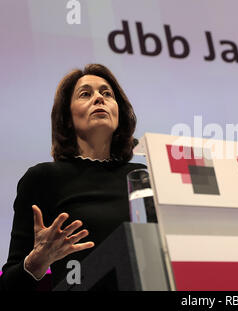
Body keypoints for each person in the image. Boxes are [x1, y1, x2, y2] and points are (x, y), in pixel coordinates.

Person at [0, 64, 152, 290]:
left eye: (107, 93)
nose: (99, 98)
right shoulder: (42, 178)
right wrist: (35, 262)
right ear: (67, 117)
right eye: (85, 94)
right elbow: (10, 285)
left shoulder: (142, 178)